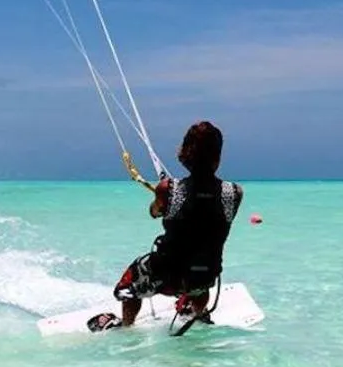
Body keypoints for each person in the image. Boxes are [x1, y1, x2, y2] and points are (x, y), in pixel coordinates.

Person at [90, 121, 244, 335]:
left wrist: (161, 195)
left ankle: (126, 328)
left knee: (127, 286)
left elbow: (154, 212)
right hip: (204, 276)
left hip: (168, 276)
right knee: (202, 268)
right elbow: (207, 215)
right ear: (217, 158)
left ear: (185, 154)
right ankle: (198, 312)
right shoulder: (234, 193)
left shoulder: (168, 189)